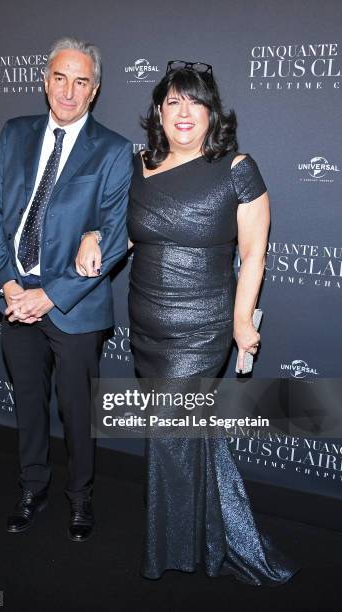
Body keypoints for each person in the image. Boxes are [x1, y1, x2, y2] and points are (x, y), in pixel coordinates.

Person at [76, 62, 298, 583]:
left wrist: (243, 319)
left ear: (211, 113)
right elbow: (122, 234)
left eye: (195, 102)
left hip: (201, 326)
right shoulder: (138, 165)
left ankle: (171, 552)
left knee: (172, 431)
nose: (184, 112)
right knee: (187, 430)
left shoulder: (236, 167)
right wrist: (92, 235)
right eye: (173, 102)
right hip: (146, 322)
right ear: (158, 111)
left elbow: (253, 253)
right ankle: (214, 535)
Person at [0, 37, 133, 542]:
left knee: (76, 410)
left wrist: (50, 294)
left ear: (95, 90)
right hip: (17, 293)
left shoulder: (112, 150)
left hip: (75, 304)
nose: (69, 91)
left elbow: (114, 238)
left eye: (81, 81)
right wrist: (8, 284)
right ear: (45, 81)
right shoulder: (15, 134)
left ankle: (80, 496)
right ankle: (32, 487)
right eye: (60, 78)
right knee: (28, 403)